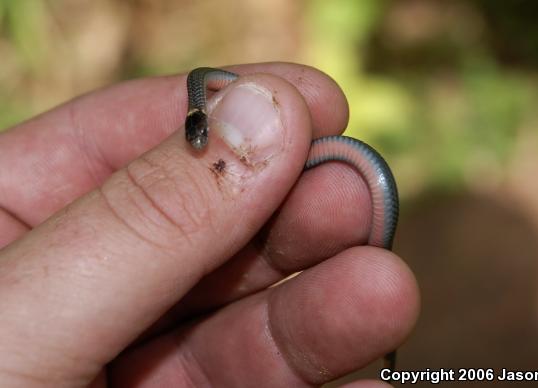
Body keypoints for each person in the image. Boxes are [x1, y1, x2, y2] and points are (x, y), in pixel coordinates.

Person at [0, 62, 419, 387]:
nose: (201, 145)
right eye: (196, 138)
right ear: (195, 120)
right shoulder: (197, 104)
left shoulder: (205, 91)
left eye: (203, 137)